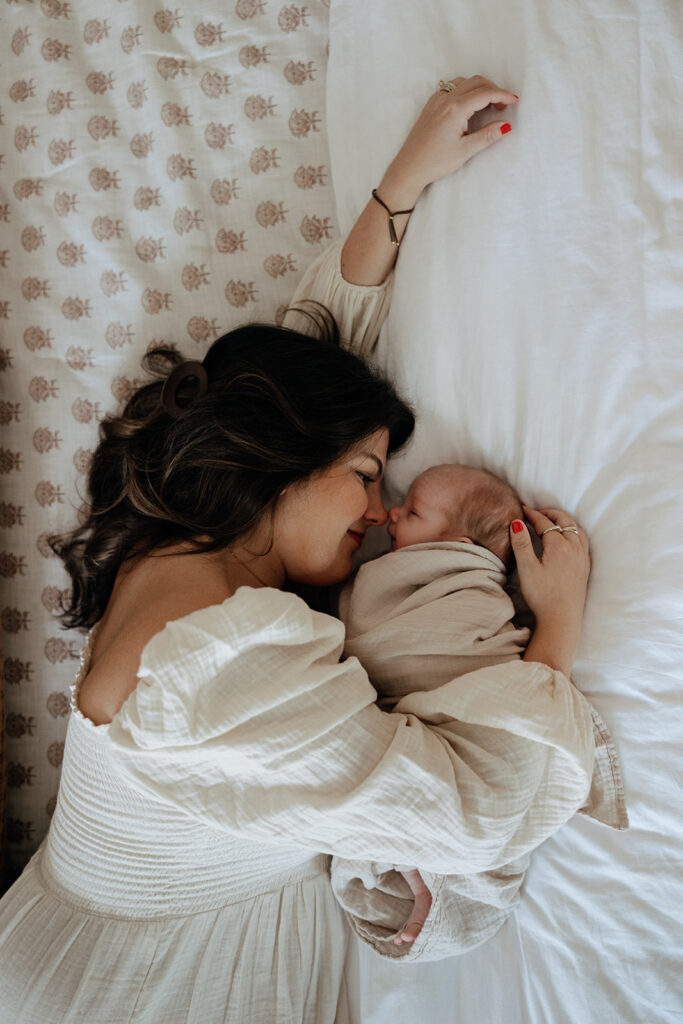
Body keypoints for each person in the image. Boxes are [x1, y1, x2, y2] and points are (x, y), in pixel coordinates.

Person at [0, 76, 599, 1023]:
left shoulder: (180, 551)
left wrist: (401, 183)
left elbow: (304, 364)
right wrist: (558, 624)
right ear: (279, 461)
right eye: (368, 476)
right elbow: (463, 816)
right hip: (150, 994)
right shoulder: (223, 654)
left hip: (88, 952)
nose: (377, 513)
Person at [331, 465, 628, 956]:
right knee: (430, 790)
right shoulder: (386, 579)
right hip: (409, 734)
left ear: (462, 546)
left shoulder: (470, 591)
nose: (390, 514)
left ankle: (424, 856)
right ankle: (422, 855)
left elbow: (508, 692)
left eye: (415, 511)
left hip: (458, 728)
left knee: (486, 781)